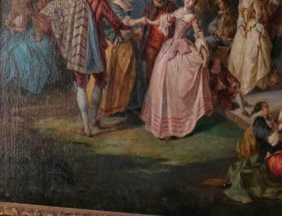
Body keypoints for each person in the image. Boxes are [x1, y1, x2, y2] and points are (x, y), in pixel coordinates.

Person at [40, 0, 137, 135]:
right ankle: (94, 119)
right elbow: (115, 22)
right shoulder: (100, 2)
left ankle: (87, 128)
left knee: (81, 86)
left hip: (79, 49)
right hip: (97, 49)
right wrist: (129, 29)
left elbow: (50, 15)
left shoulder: (71, 3)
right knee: (99, 82)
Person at [140, 0, 213, 139]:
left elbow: (199, 35)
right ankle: (163, 127)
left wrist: (203, 51)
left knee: (178, 85)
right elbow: (163, 20)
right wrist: (149, 22)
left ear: (195, 4)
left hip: (182, 49)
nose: (188, 2)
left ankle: (174, 127)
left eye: (192, 1)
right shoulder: (178, 11)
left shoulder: (192, 17)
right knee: (162, 81)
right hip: (169, 47)